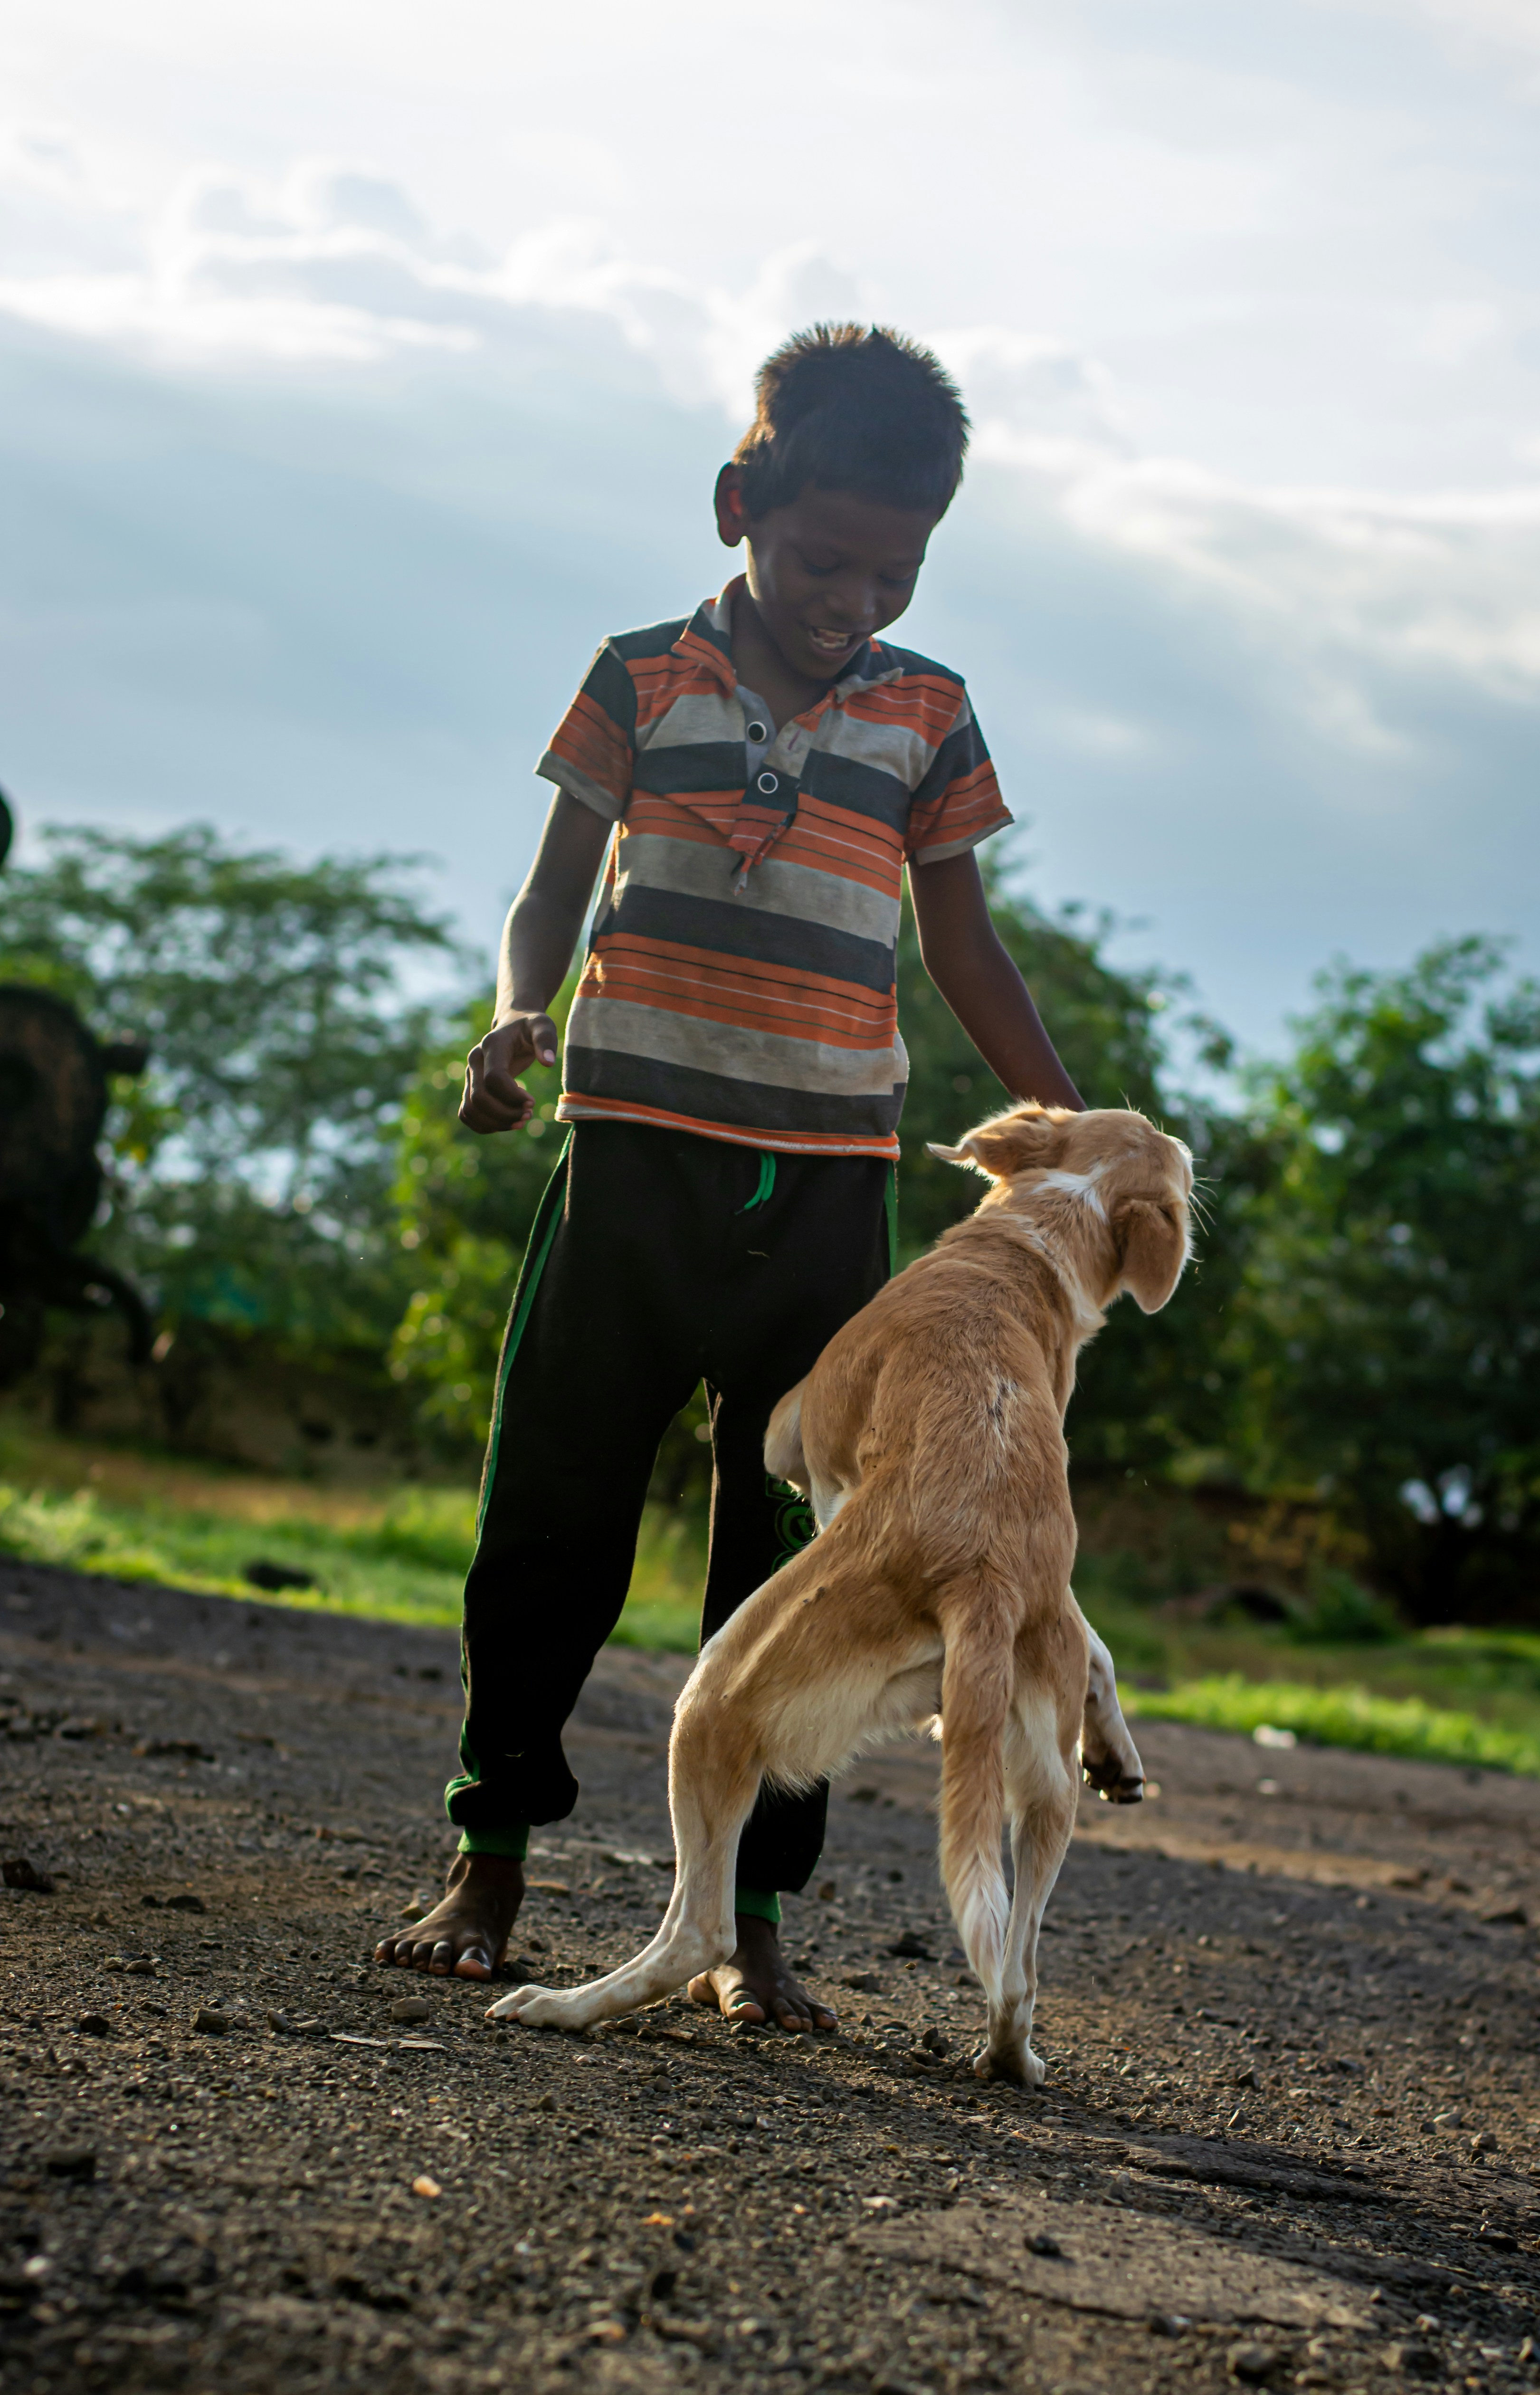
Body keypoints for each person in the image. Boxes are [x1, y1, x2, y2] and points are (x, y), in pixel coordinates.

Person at [375, 324, 1084, 2029]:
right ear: (736, 510)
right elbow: (548, 888)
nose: (854, 598)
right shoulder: (638, 676)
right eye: (823, 557)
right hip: (630, 1162)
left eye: (892, 571)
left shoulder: (930, 713)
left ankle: (755, 1920)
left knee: (812, 1559)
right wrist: (517, 1018)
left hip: (826, 1197)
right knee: (548, 1508)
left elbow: (962, 945)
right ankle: (489, 1860)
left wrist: (1063, 1123)